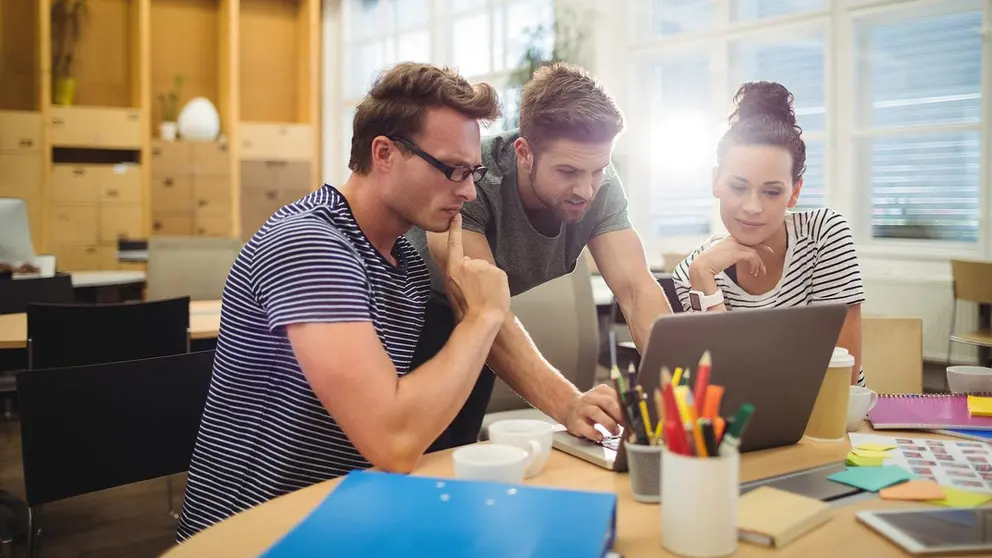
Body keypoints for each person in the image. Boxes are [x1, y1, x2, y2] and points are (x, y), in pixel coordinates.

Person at [176, 62, 508, 540]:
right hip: (254, 533)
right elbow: (394, 442)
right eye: (453, 169)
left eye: (472, 171)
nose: (468, 190)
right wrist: (483, 316)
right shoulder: (309, 244)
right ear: (385, 153)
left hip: (343, 517)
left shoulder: (408, 268)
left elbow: (407, 421)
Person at [406, 62, 674, 452]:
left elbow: (635, 289)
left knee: (459, 459)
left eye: (597, 170)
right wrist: (569, 404)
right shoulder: (471, 178)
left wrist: (680, 389)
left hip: (481, 326)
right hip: (413, 318)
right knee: (416, 462)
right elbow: (480, 308)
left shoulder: (600, 186)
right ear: (524, 152)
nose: (586, 189)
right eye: (568, 171)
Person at [671, 81, 866, 386]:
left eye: (771, 192)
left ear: (794, 193)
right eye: (738, 187)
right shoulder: (693, 272)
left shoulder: (823, 234)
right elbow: (721, 384)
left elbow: (843, 377)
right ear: (716, 182)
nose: (752, 207)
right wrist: (703, 275)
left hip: (831, 422)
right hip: (746, 429)